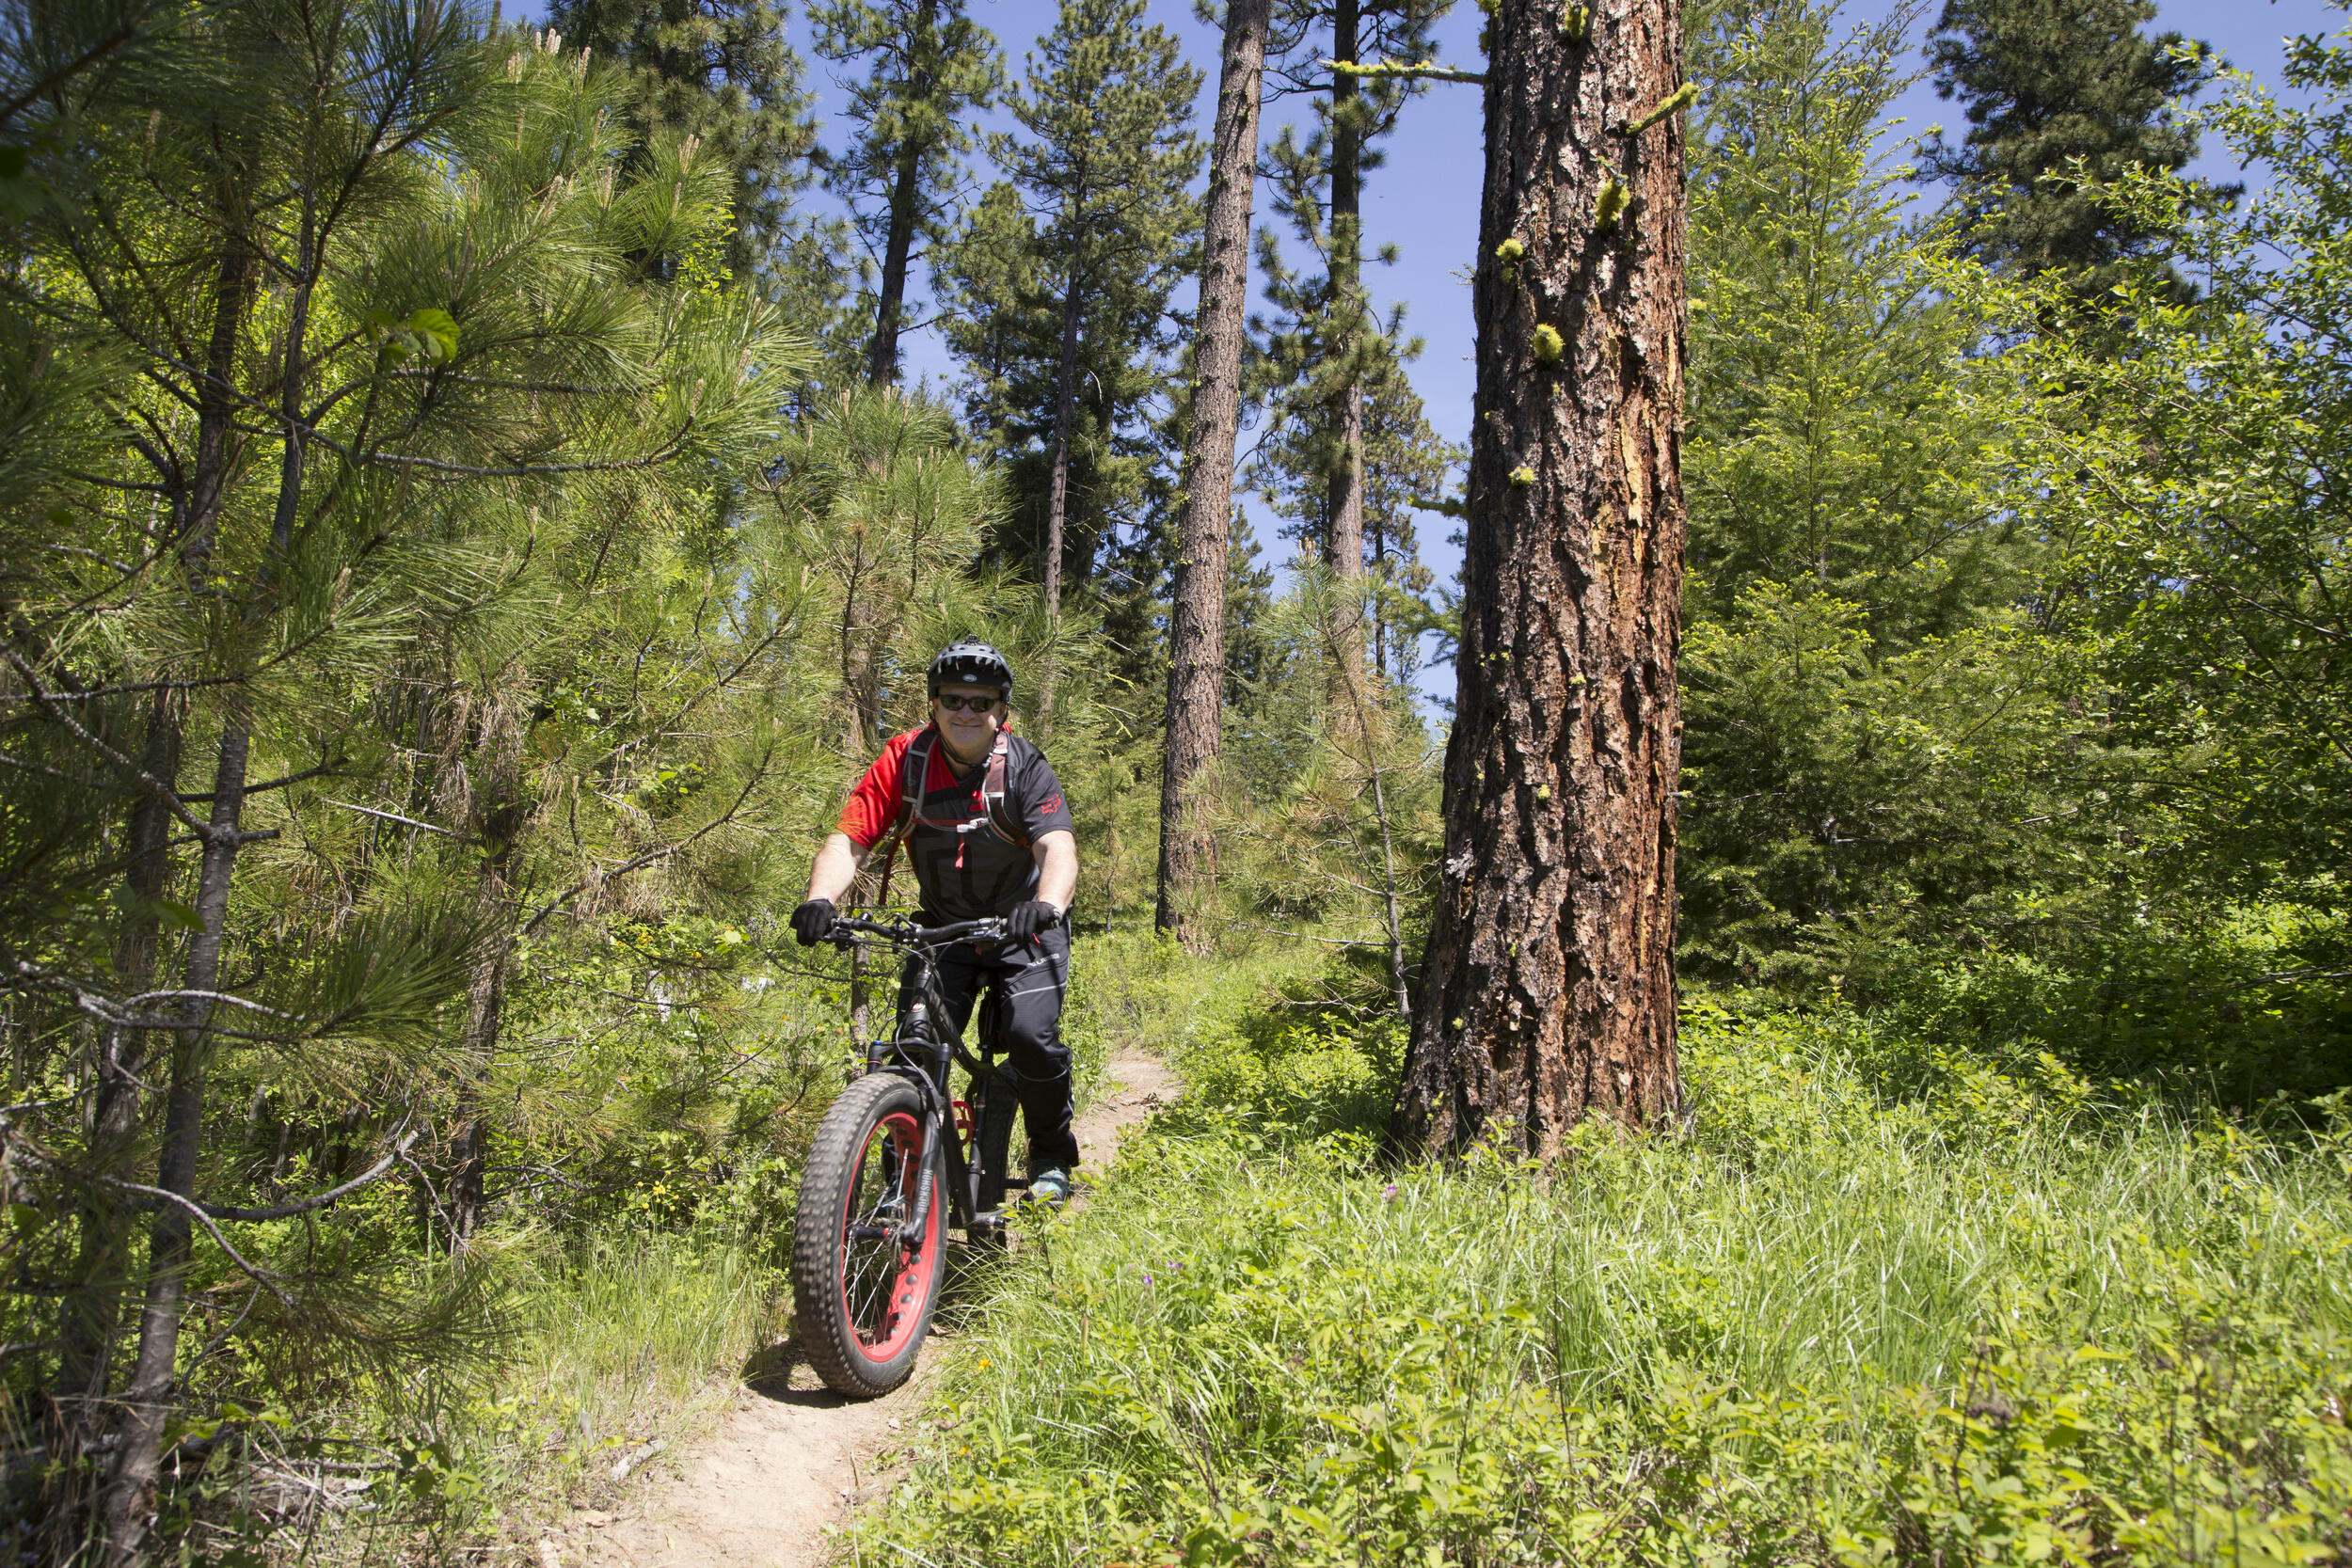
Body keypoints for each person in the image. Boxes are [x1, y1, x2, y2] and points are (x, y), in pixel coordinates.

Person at [789, 641, 1082, 1207]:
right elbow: (850, 839)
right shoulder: (904, 761)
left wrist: (1045, 904)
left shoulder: (1024, 766)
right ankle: (903, 1181)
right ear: (933, 704)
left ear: (1002, 710)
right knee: (911, 1049)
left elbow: (1058, 848)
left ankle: (1050, 1150)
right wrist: (821, 899)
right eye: (953, 699)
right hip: (943, 928)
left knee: (1029, 1037)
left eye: (981, 701)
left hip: (1024, 925)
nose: (966, 712)